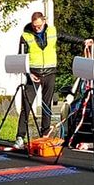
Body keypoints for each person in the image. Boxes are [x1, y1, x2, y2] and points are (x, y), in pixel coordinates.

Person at [17, 10, 58, 147]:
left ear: (44, 22)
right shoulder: (26, 35)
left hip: (50, 73)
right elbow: (20, 58)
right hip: (33, 75)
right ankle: (20, 136)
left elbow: (67, 37)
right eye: (35, 26)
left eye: (39, 25)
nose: (37, 28)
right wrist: (28, 74)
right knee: (26, 106)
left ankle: (45, 135)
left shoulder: (52, 31)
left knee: (47, 105)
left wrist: (83, 41)